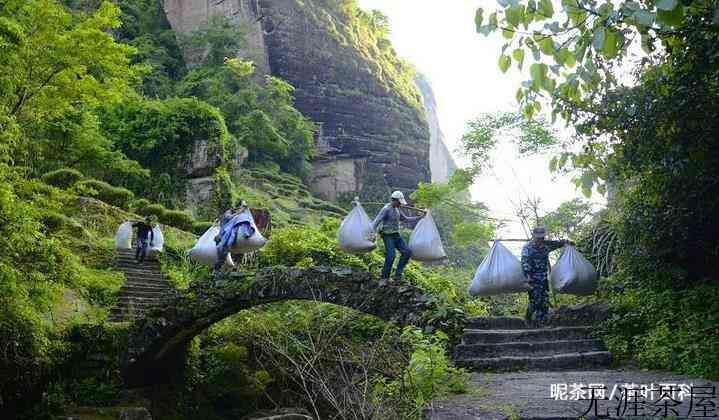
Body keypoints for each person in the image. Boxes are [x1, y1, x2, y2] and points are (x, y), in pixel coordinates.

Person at [521, 227, 572, 326]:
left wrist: (567, 242)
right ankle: (528, 317)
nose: (540, 239)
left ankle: (541, 323)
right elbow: (525, 262)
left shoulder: (546, 245)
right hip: (532, 278)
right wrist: (528, 276)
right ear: (534, 236)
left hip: (543, 278)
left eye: (542, 237)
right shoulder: (528, 247)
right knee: (535, 300)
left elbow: (558, 243)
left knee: (544, 301)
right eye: (538, 237)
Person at [371, 191, 424, 282]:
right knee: (391, 256)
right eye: (399, 202)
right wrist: (372, 233)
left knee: (407, 252)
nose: (400, 204)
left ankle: (397, 275)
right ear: (394, 200)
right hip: (387, 235)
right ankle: (384, 277)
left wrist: (420, 217)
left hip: (396, 234)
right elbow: (376, 222)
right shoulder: (386, 209)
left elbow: (405, 219)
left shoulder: (397, 209)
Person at [214, 200, 254, 277]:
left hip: (233, 238)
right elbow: (228, 218)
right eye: (241, 206)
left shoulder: (242, 214)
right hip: (223, 236)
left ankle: (235, 269)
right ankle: (218, 272)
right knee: (223, 253)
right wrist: (239, 212)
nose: (242, 208)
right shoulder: (229, 213)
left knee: (238, 253)